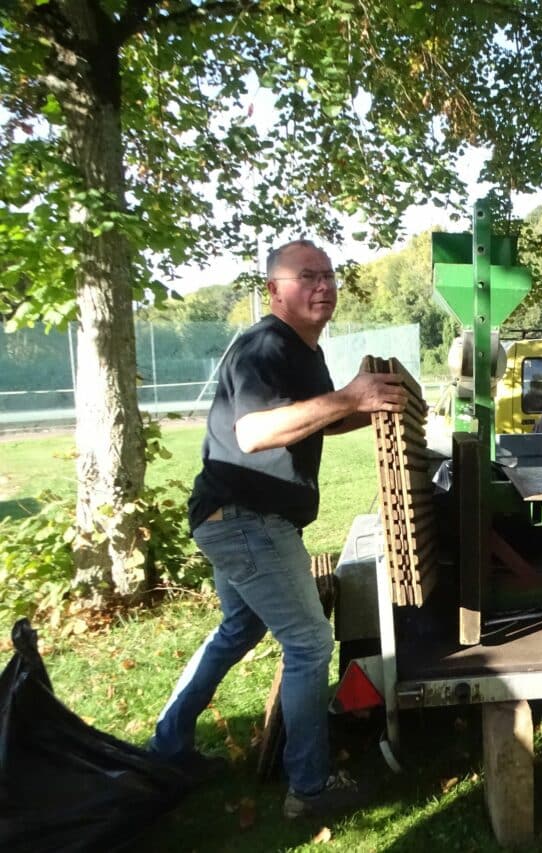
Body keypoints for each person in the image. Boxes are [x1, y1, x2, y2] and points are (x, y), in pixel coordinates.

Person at [148, 239, 407, 820]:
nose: (323, 286)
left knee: (238, 629)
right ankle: (309, 791)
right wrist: (346, 397)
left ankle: (167, 746)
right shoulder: (265, 345)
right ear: (274, 290)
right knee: (311, 644)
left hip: (235, 519)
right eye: (306, 276)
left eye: (329, 276)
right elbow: (254, 434)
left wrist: (356, 411)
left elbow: (303, 425)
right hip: (247, 521)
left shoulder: (303, 352)